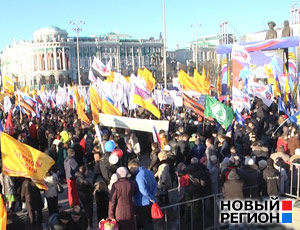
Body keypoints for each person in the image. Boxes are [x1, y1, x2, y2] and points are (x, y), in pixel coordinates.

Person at [128, 160, 157, 230]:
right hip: (150, 202)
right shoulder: (149, 172)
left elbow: (143, 190)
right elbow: (155, 185)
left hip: (142, 203)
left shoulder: (138, 176)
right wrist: (153, 197)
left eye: (130, 169)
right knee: (149, 223)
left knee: (145, 224)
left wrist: (150, 197)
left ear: (133, 167)